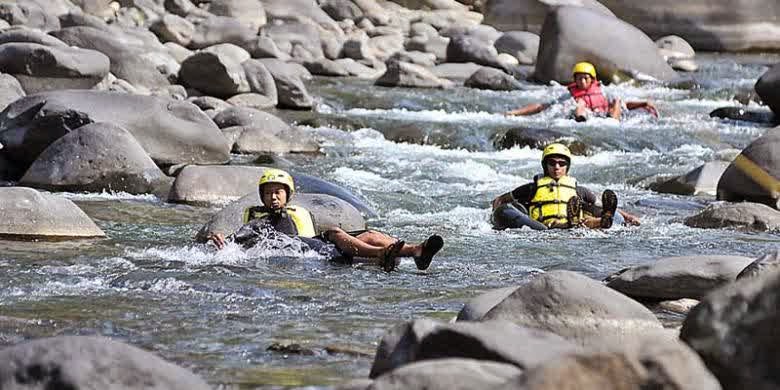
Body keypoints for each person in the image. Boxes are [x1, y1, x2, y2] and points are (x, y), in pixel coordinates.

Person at [208, 168, 444, 272]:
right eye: (268, 193)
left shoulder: (293, 213)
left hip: (314, 246)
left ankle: (416, 251)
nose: (273, 197)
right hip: (316, 252)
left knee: (370, 234)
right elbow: (245, 234)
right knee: (335, 232)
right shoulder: (259, 220)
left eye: (278, 192)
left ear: (288, 195)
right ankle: (382, 254)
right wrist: (225, 241)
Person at [491, 143, 641, 229]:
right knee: (577, 225)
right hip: (544, 228)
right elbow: (501, 200)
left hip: (574, 227)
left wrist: (627, 216)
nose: (557, 167)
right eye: (552, 163)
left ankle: (601, 222)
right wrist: (495, 215)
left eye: (561, 164)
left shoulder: (578, 190)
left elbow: (603, 205)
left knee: (588, 219)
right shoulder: (532, 188)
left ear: (567, 167)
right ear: (545, 165)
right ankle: (589, 223)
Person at [504, 62, 658, 122]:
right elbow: (542, 106)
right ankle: (581, 119)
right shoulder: (569, 95)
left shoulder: (604, 91)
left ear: (592, 79)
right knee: (580, 103)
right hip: (584, 117)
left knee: (616, 100)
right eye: (579, 78)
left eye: (586, 78)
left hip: (605, 117)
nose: (582, 82)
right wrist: (515, 113)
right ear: (574, 79)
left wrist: (643, 103)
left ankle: (613, 123)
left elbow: (625, 105)